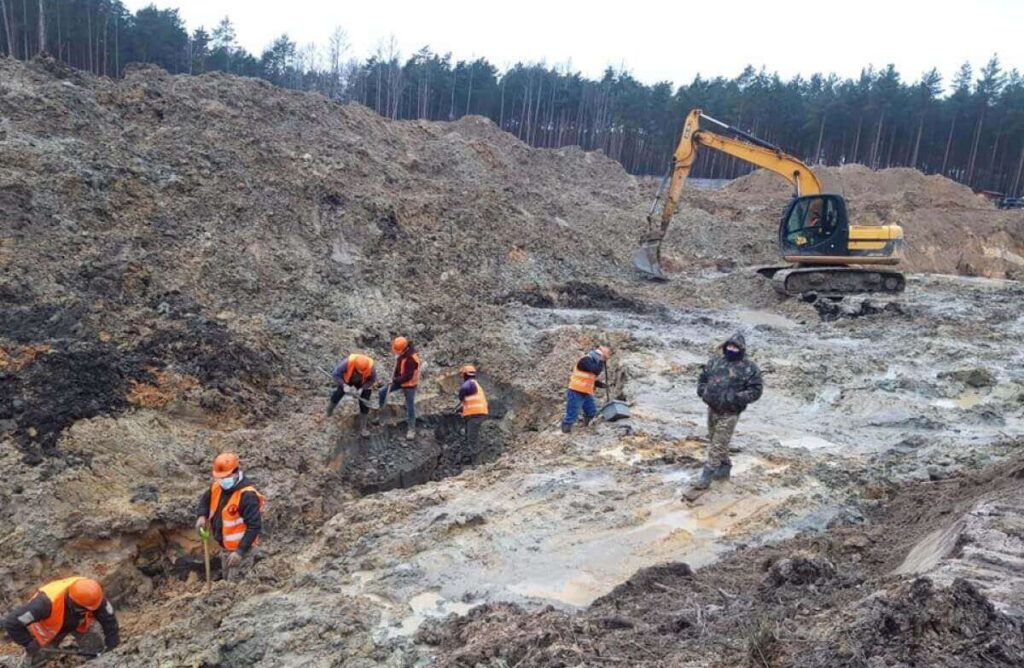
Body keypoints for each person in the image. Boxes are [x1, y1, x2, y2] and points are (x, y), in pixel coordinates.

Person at [686, 333, 763, 499]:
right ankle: (725, 467)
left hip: (730, 413)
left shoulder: (749, 368)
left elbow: (756, 390)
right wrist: (702, 391)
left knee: (717, 445)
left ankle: (705, 478)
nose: (731, 349)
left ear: (741, 349)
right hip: (712, 408)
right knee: (716, 441)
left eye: (735, 347)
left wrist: (735, 398)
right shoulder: (715, 361)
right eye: (729, 346)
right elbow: (703, 377)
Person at [2, 576, 119, 665]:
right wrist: (29, 643)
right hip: (49, 628)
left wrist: (113, 644)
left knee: (95, 647)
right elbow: (12, 622)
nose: (90, 610)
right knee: (37, 659)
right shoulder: (44, 604)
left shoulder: (93, 596)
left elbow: (108, 618)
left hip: (79, 623)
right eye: (84, 609)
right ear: (73, 602)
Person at [194, 453, 266, 582]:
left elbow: (254, 526)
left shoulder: (247, 496)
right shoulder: (217, 486)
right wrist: (202, 515)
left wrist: (240, 552)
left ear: (235, 473)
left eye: (226, 477)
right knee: (226, 581)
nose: (222, 481)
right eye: (220, 477)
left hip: (244, 550)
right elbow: (205, 500)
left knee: (235, 585)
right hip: (226, 549)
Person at [561, 345, 612, 434]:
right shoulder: (585, 360)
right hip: (576, 390)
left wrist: (601, 385)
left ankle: (587, 425)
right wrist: (602, 360)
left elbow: (590, 378)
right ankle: (566, 429)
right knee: (573, 411)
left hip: (586, 392)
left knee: (591, 411)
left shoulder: (592, 362)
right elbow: (595, 370)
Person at [378, 337, 421, 441]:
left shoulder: (412, 359)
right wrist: (395, 377)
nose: (396, 352)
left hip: (410, 384)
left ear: (404, 348)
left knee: (409, 405)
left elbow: (407, 377)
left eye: (398, 350)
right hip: (400, 380)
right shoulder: (401, 355)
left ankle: (411, 429)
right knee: (382, 392)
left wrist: (394, 380)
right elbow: (398, 369)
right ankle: (381, 415)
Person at [328, 353, 378, 437]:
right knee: (338, 393)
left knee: (365, 401)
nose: (361, 372)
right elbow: (335, 374)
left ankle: (363, 427)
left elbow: (372, 380)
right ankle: (329, 411)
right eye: (359, 371)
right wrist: (344, 385)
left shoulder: (371, 368)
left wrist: (362, 388)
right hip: (348, 379)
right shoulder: (346, 363)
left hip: (363, 382)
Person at [457, 365, 488, 453]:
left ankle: (475, 456)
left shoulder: (470, 383)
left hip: (475, 415)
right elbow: (471, 402)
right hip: (478, 413)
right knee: (472, 435)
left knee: (472, 438)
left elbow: (464, 389)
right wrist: (462, 409)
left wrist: (461, 396)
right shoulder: (476, 384)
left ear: (465, 374)